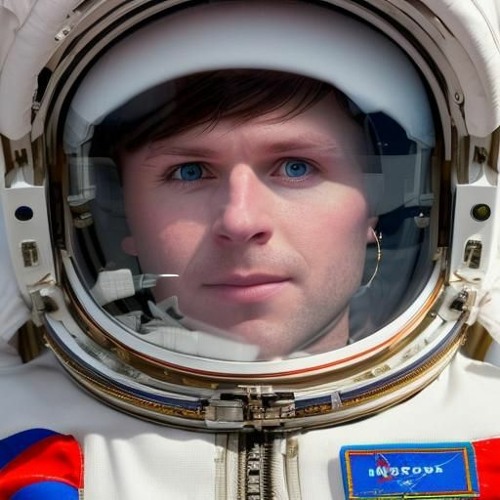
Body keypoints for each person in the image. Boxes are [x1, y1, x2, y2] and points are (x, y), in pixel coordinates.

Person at [1, 0, 500, 498]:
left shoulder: (489, 442)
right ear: (120, 211)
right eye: (189, 171)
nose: (241, 221)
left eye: (296, 167)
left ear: (376, 202)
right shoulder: (16, 449)